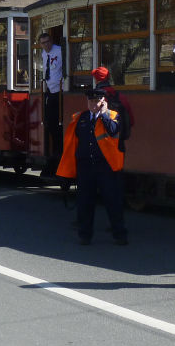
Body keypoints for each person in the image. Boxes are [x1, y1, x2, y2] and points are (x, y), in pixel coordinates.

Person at [56, 88, 127, 246]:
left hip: (106, 167)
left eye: (96, 101)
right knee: (84, 202)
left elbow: (114, 131)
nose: (93, 104)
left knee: (112, 201)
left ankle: (120, 234)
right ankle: (85, 235)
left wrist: (104, 113)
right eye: (90, 101)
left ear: (103, 101)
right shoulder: (80, 118)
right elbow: (72, 145)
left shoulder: (113, 116)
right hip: (85, 166)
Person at [89, 66, 134, 151]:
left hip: (101, 144)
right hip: (119, 143)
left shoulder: (96, 98)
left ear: (96, 80)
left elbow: (92, 121)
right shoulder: (120, 97)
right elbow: (131, 121)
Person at [39, 32, 65, 175]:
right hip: (50, 90)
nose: (46, 45)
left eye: (48, 42)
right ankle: (54, 151)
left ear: (52, 41)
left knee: (56, 123)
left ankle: (58, 151)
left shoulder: (59, 51)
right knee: (48, 122)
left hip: (59, 91)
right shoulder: (43, 54)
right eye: (43, 43)